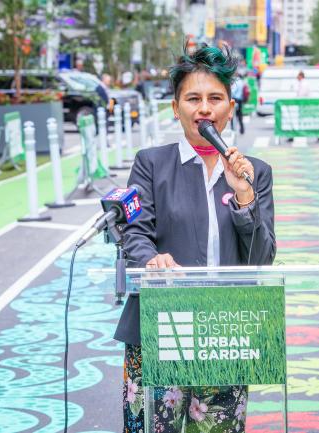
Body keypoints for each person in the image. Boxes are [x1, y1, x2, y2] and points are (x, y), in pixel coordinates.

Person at [115, 44, 276, 433]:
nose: (204, 109)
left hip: (226, 329)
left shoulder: (255, 171)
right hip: (159, 324)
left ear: (230, 108)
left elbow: (263, 254)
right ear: (176, 107)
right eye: (193, 98)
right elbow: (134, 231)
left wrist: (243, 196)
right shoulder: (151, 163)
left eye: (215, 98)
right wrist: (152, 259)